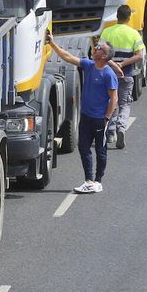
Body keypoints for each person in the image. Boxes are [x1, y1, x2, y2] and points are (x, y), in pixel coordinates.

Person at [47, 34, 117, 193]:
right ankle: (89, 180)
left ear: (104, 56)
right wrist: (52, 44)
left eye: (99, 48)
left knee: (100, 150)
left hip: (100, 120)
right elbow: (68, 57)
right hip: (86, 117)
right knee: (83, 147)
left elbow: (114, 98)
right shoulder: (89, 65)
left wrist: (106, 118)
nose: (95, 49)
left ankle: (98, 181)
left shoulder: (108, 74)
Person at [98, 6, 146, 149]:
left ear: (117, 16)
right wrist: (123, 64)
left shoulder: (107, 32)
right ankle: (121, 128)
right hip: (127, 74)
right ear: (129, 17)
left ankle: (111, 133)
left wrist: (113, 64)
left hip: (108, 75)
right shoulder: (133, 34)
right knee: (124, 104)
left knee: (110, 101)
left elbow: (100, 53)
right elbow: (139, 55)